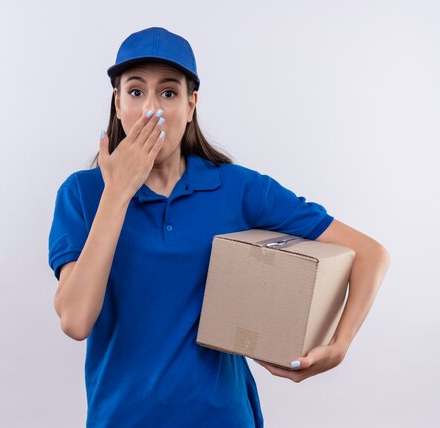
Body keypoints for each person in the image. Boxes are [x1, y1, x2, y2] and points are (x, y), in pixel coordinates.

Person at [48, 26, 390, 428]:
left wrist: (340, 344)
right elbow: (75, 321)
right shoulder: (82, 194)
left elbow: (371, 254)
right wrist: (117, 193)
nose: (151, 110)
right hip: (121, 418)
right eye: (136, 91)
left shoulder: (238, 188)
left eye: (169, 93)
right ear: (118, 103)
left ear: (191, 105)